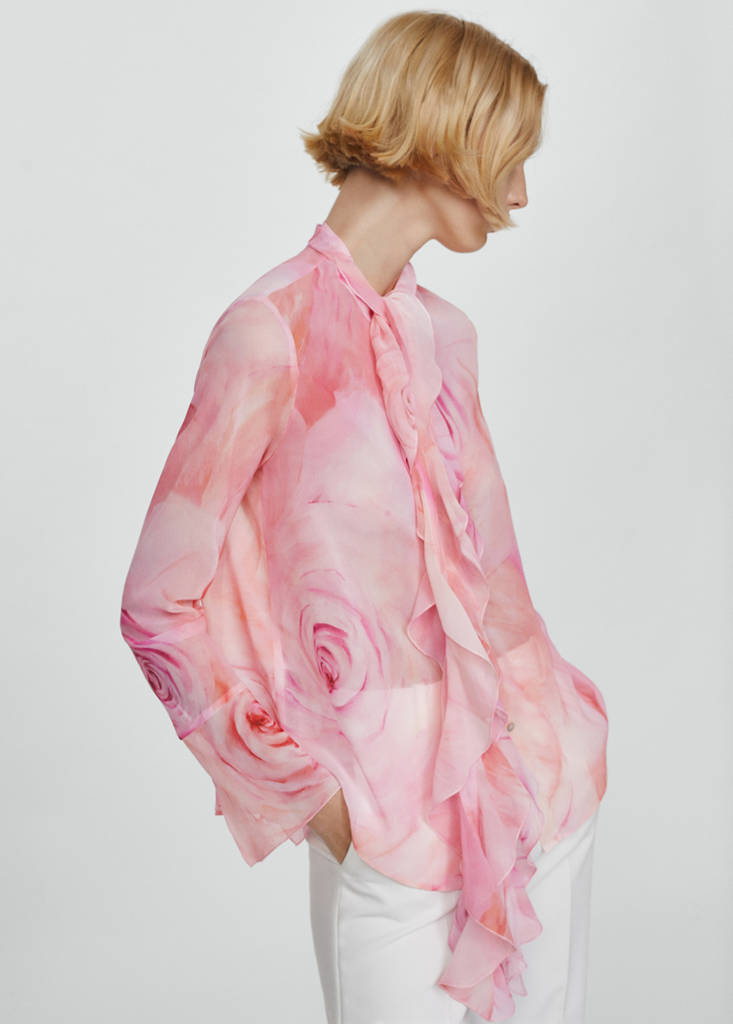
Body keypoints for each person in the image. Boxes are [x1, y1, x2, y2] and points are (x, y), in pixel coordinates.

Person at [119, 10, 608, 1024]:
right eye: (509, 155)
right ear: (440, 133)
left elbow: (493, 583)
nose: (519, 194)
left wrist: (565, 724)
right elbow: (157, 606)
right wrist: (314, 800)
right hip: (392, 831)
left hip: (541, 791)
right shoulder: (268, 333)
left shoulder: (447, 335)